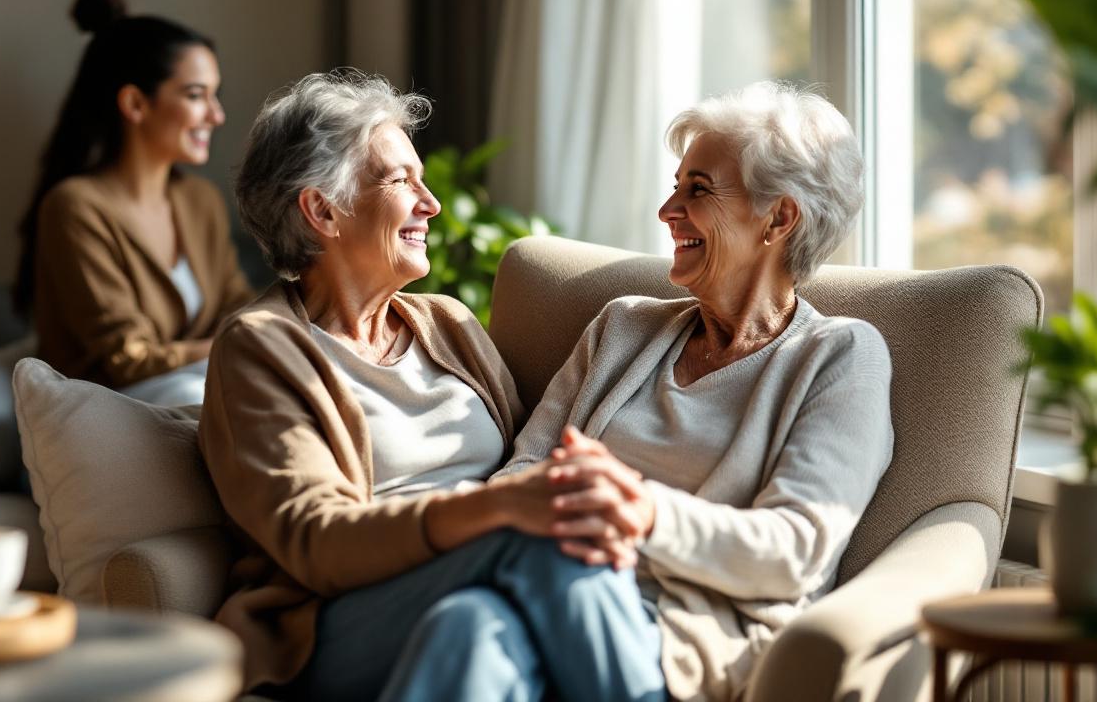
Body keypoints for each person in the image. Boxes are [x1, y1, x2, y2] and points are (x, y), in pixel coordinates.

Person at [199, 69, 665, 702]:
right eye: (400, 181)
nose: (431, 204)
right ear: (322, 210)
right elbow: (315, 539)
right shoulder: (260, 347)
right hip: (339, 617)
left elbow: (525, 454)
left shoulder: (447, 323)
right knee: (542, 542)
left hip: (473, 587)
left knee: (474, 629)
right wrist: (496, 510)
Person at [495, 80, 895, 701]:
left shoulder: (841, 355)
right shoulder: (621, 327)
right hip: (547, 590)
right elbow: (520, 472)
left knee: (473, 614)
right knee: (464, 623)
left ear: (779, 217)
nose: (667, 210)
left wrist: (643, 513)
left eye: (698, 189)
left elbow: (796, 551)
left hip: (683, 641)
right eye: (676, 185)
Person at [13, 0, 254, 406]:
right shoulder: (75, 208)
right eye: (196, 95)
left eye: (215, 96)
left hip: (191, 386)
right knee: (203, 396)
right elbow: (125, 359)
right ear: (136, 104)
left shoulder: (200, 201)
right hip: (100, 411)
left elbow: (240, 309)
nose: (216, 115)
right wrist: (232, 344)